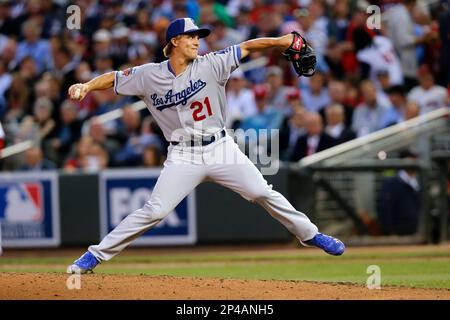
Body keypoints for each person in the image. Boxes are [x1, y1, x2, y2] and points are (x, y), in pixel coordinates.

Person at [66, 18, 345, 274]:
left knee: (261, 191)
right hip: (183, 154)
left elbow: (247, 46)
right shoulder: (148, 75)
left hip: (220, 148)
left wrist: (280, 41)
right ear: (175, 41)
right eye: (191, 36)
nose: (198, 41)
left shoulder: (212, 63)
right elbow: (115, 78)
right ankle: (95, 256)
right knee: (155, 210)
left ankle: (310, 234)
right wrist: (87, 86)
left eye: (199, 37)